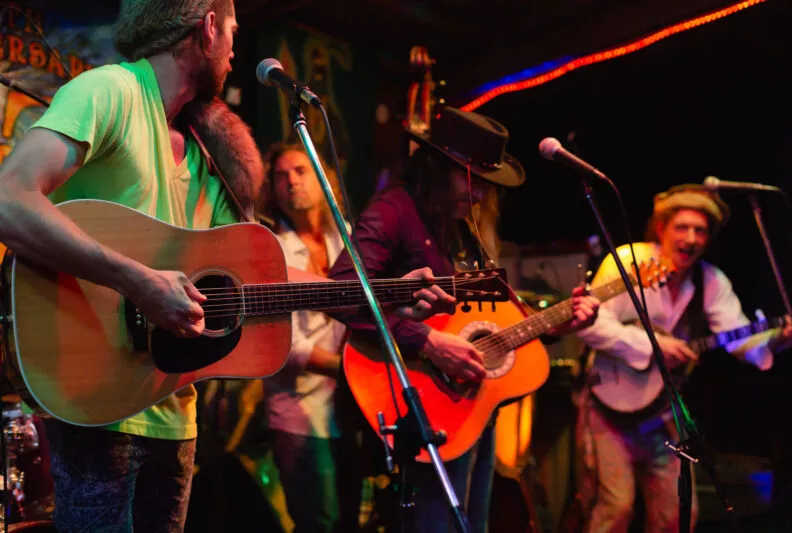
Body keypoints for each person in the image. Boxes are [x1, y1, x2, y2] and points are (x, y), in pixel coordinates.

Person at [0, 1, 450, 530]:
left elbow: (265, 279)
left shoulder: (209, 153)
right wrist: (136, 280)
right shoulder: (110, 92)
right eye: (233, 31)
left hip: (175, 414)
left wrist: (388, 292)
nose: (236, 49)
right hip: (93, 397)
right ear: (208, 26)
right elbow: (9, 199)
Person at [328, 106, 601, 533]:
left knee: (470, 526)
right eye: (469, 180)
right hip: (418, 403)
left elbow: (493, 318)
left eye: (486, 186)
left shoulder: (463, 229)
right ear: (436, 168)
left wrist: (557, 324)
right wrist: (427, 341)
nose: (478, 195)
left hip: (472, 405)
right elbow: (341, 292)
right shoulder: (394, 209)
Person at [574, 184, 792, 533]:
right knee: (615, 509)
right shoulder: (630, 261)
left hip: (661, 411)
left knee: (676, 516)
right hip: (607, 409)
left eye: (701, 230)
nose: (691, 239)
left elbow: (741, 339)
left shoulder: (710, 280)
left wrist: (779, 337)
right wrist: (653, 345)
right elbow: (589, 325)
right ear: (661, 229)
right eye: (682, 227)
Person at [259, 142, 357, 532]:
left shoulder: (346, 238)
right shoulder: (271, 250)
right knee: (320, 522)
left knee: (350, 519)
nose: (290, 182)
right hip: (299, 413)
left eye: (300, 171)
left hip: (351, 408)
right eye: (281, 176)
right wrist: (348, 368)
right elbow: (282, 345)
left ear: (323, 179)